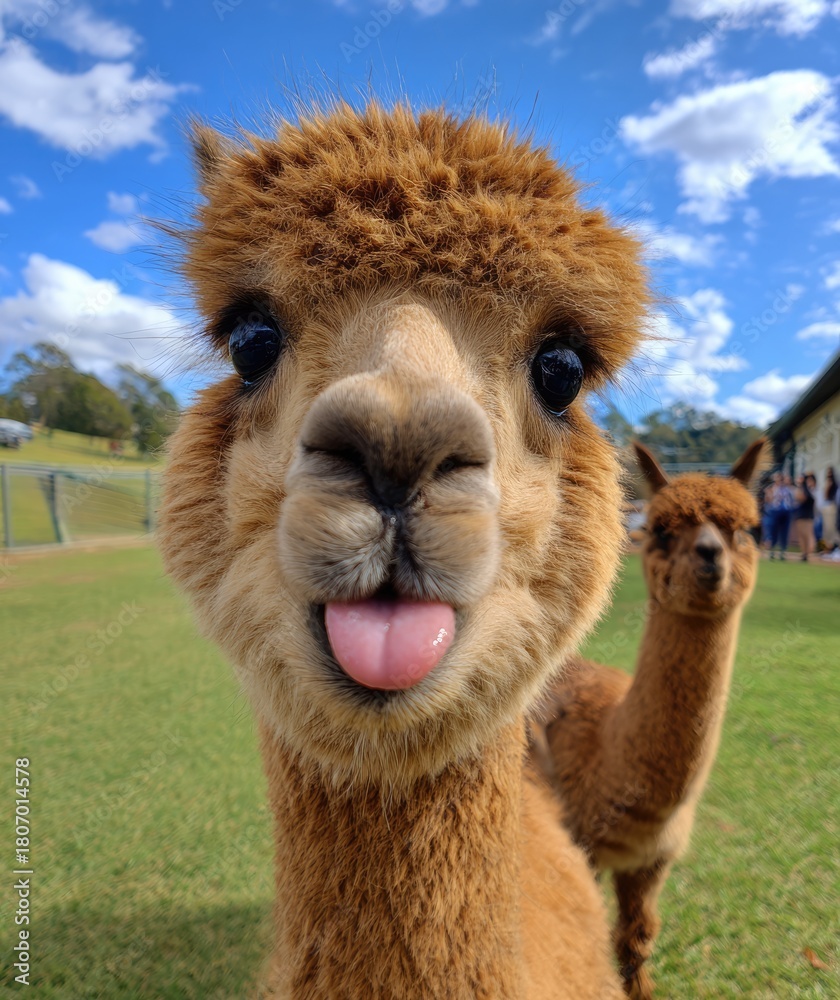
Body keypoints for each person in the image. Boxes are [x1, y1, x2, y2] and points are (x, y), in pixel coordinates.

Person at [764, 472, 794, 560]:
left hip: (786, 512)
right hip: (775, 511)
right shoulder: (772, 488)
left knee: (784, 531)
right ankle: (772, 550)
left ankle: (783, 551)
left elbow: (792, 500)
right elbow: (768, 500)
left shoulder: (788, 489)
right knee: (773, 531)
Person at [792, 473, 816, 562]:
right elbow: (797, 498)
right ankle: (804, 553)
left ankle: (807, 553)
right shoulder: (802, 489)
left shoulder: (810, 491)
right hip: (801, 514)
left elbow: (802, 498)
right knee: (801, 535)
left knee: (807, 534)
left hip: (808, 515)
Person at [822, 467, 838, 552]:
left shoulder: (831, 483)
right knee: (827, 530)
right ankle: (828, 548)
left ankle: (832, 548)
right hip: (828, 506)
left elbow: (826, 495)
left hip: (831, 506)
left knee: (830, 529)